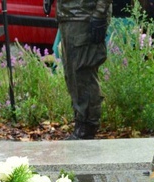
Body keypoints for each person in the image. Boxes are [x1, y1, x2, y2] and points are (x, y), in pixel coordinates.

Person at [45, 0, 112, 139]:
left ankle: (87, 127)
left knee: (83, 73)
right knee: (72, 74)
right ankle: (81, 123)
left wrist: (99, 13)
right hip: (68, 15)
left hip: (85, 16)